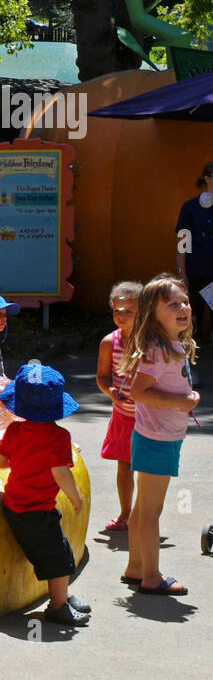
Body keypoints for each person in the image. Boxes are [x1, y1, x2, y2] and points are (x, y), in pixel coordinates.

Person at [0, 361, 89, 626]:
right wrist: (75, 497)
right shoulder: (58, 437)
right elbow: (60, 472)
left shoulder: (14, 431)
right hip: (37, 510)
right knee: (59, 557)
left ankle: (63, 596)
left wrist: (20, 462)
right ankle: (57, 606)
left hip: (15, 505)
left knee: (55, 552)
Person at [119, 274, 198, 596]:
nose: (183, 308)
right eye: (173, 304)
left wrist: (183, 400)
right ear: (153, 313)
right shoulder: (159, 350)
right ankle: (151, 575)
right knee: (151, 511)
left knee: (142, 508)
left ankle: (136, 566)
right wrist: (180, 402)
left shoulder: (169, 346)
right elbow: (139, 391)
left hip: (157, 436)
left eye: (185, 301)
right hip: (158, 438)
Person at [94, 281, 141, 534]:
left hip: (149, 418)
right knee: (124, 466)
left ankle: (145, 514)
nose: (120, 316)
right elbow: (102, 377)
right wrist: (111, 392)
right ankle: (125, 513)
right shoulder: (108, 343)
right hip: (123, 417)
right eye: (116, 311)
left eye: (128, 311)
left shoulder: (151, 342)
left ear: (143, 311)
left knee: (147, 468)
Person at [175, 161, 213, 384]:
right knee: (192, 325)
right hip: (197, 273)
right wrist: (181, 272)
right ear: (207, 178)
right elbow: (182, 241)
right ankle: (190, 372)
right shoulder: (190, 208)